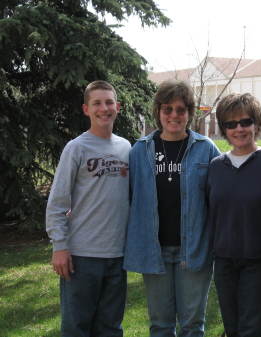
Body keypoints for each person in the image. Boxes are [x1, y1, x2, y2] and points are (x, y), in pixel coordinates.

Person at [123, 79, 220, 337]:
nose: (174, 115)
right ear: (158, 111)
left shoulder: (206, 149)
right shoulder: (139, 151)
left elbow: (217, 199)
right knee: (161, 326)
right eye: (168, 109)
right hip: (155, 251)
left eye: (180, 109)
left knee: (192, 326)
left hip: (194, 250)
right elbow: (128, 197)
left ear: (189, 113)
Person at [46, 80, 131, 336]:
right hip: (82, 256)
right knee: (77, 328)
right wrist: (59, 246)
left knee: (110, 328)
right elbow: (58, 202)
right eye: (97, 103)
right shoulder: (76, 148)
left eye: (108, 102)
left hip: (117, 255)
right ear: (86, 109)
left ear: (118, 107)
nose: (103, 108)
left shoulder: (126, 147)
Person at [207, 93, 261, 337]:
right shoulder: (216, 167)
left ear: (256, 124)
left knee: (254, 330)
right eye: (230, 124)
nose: (239, 129)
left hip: (259, 263)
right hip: (224, 262)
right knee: (232, 328)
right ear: (223, 128)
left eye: (245, 122)